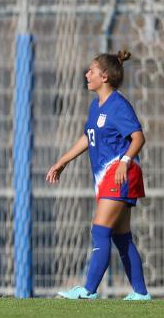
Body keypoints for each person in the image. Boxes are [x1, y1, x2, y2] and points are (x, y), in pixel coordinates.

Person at [47, 50, 150, 301]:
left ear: (104, 76)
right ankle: (140, 293)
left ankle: (88, 290)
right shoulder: (97, 106)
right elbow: (87, 137)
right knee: (121, 236)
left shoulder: (118, 105)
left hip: (121, 174)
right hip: (109, 176)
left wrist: (125, 161)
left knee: (100, 229)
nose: (87, 74)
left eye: (91, 71)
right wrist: (63, 161)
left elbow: (138, 138)